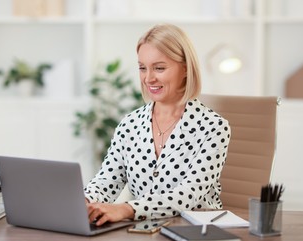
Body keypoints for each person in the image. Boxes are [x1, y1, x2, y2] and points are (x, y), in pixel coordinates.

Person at [84, 23, 231, 226]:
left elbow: (188, 195)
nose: (148, 78)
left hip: (196, 234)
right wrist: (86, 201)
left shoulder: (213, 127)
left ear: (186, 68)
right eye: (142, 68)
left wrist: (127, 208)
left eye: (159, 68)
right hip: (143, 233)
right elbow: (109, 180)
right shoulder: (130, 124)